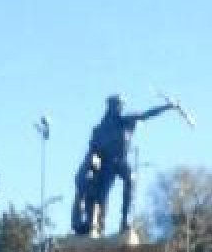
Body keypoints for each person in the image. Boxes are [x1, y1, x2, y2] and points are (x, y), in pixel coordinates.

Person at [71, 95, 178, 237]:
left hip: (121, 161)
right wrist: (89, 170)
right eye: (116, 105)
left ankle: (125, 220)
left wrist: (167, 107)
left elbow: (146, 114)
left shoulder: (126, 121)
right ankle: (96, 226)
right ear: (109, 106)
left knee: (130, 180)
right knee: (101, 197)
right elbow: (93, 151)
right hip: (107, 164)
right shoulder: (99, 130)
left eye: (120, 106)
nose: (119, 108)